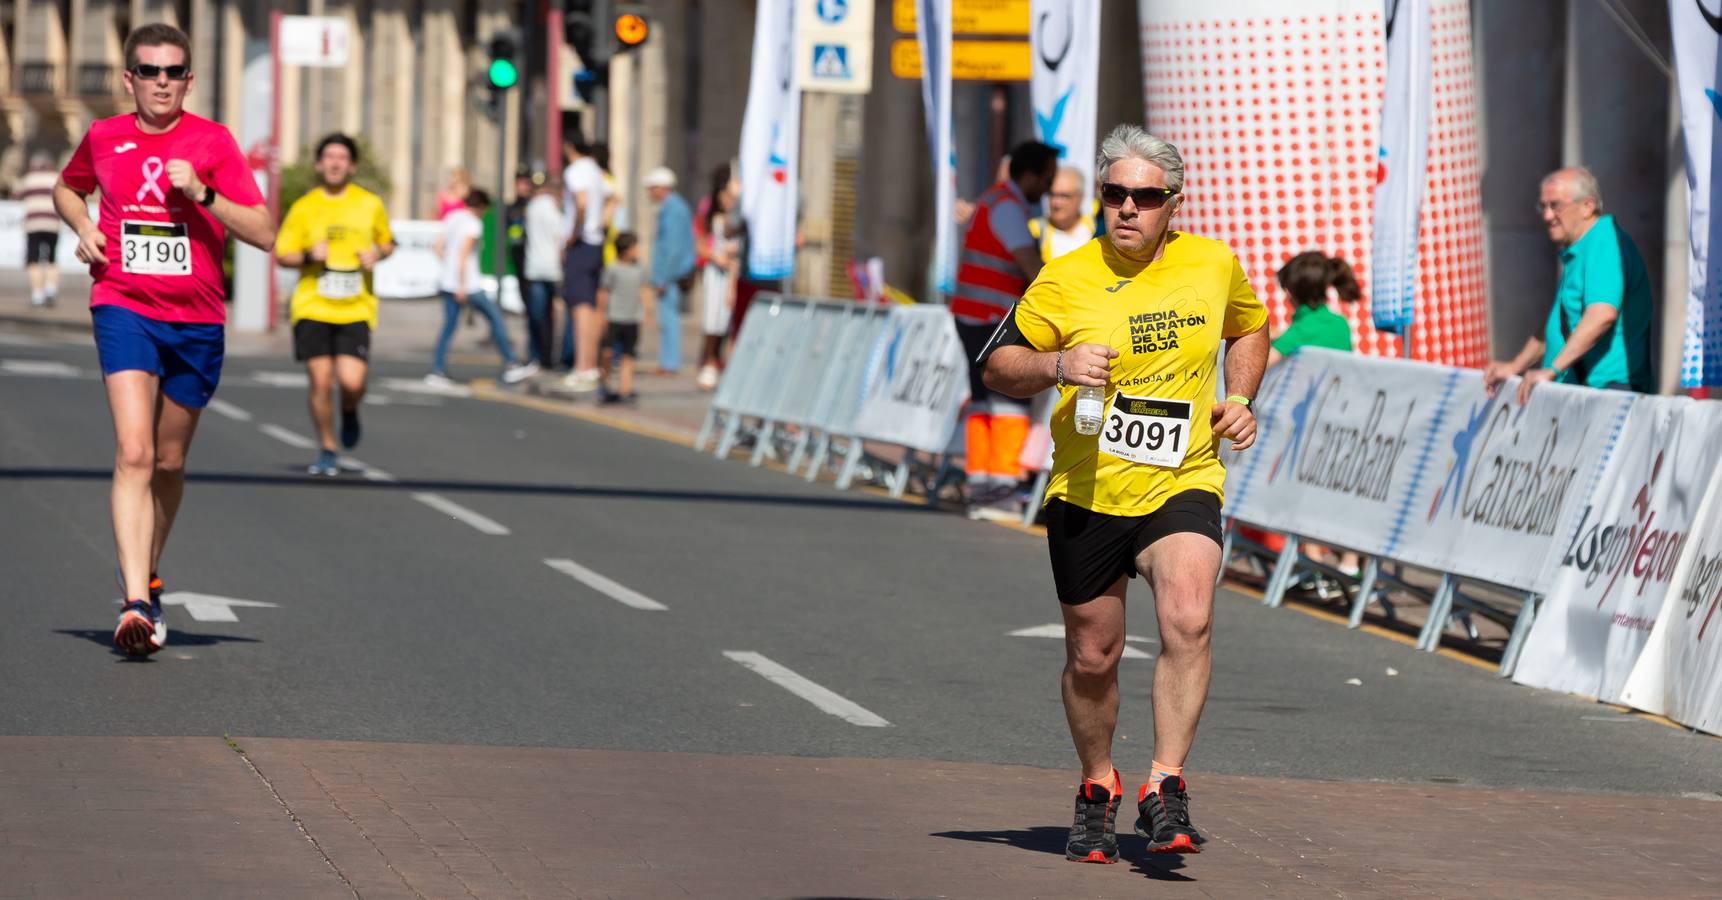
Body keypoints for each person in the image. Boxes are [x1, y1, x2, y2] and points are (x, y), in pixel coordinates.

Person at [980, 125, 1268, 864]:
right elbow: (997, 366)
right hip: (1089, 487)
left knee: (1189, 617)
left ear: (1174, 201)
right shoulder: (1065, 276)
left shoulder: (1211, 263)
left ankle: (1164, 784)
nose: (1128, 209)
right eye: (1115, 195)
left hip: (1183, 476)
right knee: (1092, 654)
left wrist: (1240, 397)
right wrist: (1057, 363)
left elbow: (1251, 327)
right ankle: (1096, 786)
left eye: (1145, 196)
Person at [53, 23, 275, 655]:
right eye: (148, 71)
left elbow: (263, 232)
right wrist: (84, 222)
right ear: (129, 79)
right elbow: (67, 187)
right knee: (134, 453)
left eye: (172, 72)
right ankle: (136, 603)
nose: (160, 83)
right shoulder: (104, 136)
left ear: (188, 80)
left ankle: (149, 571)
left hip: (197, 319)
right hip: (123, 304)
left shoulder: (212, 141)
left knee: (170, 463)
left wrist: (202, 193)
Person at [274, 133, 395, 477]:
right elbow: (284, 255)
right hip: (313, 306)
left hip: (355, 306)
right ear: (319, 164)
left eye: (342, 157)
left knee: (353, 382)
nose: (335, 162)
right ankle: (327, 446)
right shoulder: (305, 207)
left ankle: (351, 408)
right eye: (329, 156)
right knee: (321, 381)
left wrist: (377, 254)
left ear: (352, 165)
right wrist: (309, 255)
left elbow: (387, 243)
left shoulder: (368, 203)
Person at [953, 141, 1060, 521]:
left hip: (971, 314)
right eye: (1046, 179)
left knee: (983, 402)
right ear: (1029, 175)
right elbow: (1031, 267)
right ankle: (998, 492)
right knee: (1009, 401)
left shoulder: (992, 200)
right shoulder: (1010, 209)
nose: (1048, 189)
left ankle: (982, 487)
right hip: (992, 318)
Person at [1483, 166, 1655, 403]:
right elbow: (1556, 323)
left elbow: (1601, 314)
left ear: (1587, 206)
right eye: (1543, 206)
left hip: (1610, 393)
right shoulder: (1582, 248)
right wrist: (1515, 366)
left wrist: (1552, 369)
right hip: (1586, 393)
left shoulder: (1604, 243)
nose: (1547, 216)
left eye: (1556, 206)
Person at [427, 188, 538, 386]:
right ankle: (511, 363)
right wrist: (460, 284)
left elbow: (437, 247)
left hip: (447, 281)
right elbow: (463, 255)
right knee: (495, 318)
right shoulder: (473, 224)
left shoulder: (452, 217)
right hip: (467, 284)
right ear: (480, 206)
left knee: (448, 327)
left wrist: (449, 269)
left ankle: (437, 370)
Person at [559, 137, 613, 391]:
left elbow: (581, 202)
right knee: (590, 306)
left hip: (581, 244)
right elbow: (614, 199)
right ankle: (589, 366)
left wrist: (575, 231)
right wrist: (600, 224)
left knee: (580, 307)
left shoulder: (576, 171)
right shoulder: (595, 170)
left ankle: (582, 368)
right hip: (596, 244)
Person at [646, 166, 696, 375]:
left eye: (652, 188)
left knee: (668, 319)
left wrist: (662, 278)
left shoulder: (674, 209)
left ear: (663, 188)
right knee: (665, 318)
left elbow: (673, 248)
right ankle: (667, 361)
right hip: (669, 273)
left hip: (670, 275)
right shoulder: (671, 207)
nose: (649, 193)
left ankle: (670, 362)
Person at [695, 163, 741, 390]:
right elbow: (700, 244)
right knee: (712, 319)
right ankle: (710, 362)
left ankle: (727, 365)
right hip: (715, 272)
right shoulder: (710, 214)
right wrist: (715, 257)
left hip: (734, 274)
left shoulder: (738, 218)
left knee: (729, 321)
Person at [597, 232, 653, 403]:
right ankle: (605, 384)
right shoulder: (612, 268)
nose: (637, 251)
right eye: (635, 247)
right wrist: (601, 313)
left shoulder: (639, 269)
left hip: (632, 317)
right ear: (625, 250)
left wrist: (648, 310)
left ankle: (625, 388)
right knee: (607, 352)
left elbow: (644, 289)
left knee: (628, 354)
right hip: (614, 316)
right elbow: (603, 291)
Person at [522, 172, 565, 369]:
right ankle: (554, 357)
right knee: (555, 316)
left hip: (534, 267)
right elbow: (561, 237)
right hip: (554, 267)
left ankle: (535, 355)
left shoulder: (531, 207)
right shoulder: (554, 208)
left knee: (536, 316)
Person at [1030, 166, 1098, 264]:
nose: (1056, 203)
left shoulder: (1096, 228)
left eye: (1064, 196)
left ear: (1080, 198)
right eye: (1052, 194)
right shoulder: (1034, 230)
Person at [20, 151, 62, 307]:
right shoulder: (56, 178)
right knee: (52, 258)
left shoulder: (29, 179)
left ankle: (37, 295)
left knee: (33, 260)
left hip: (34, 224)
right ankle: (51, 290)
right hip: (52, 224)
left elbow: (16, 192)